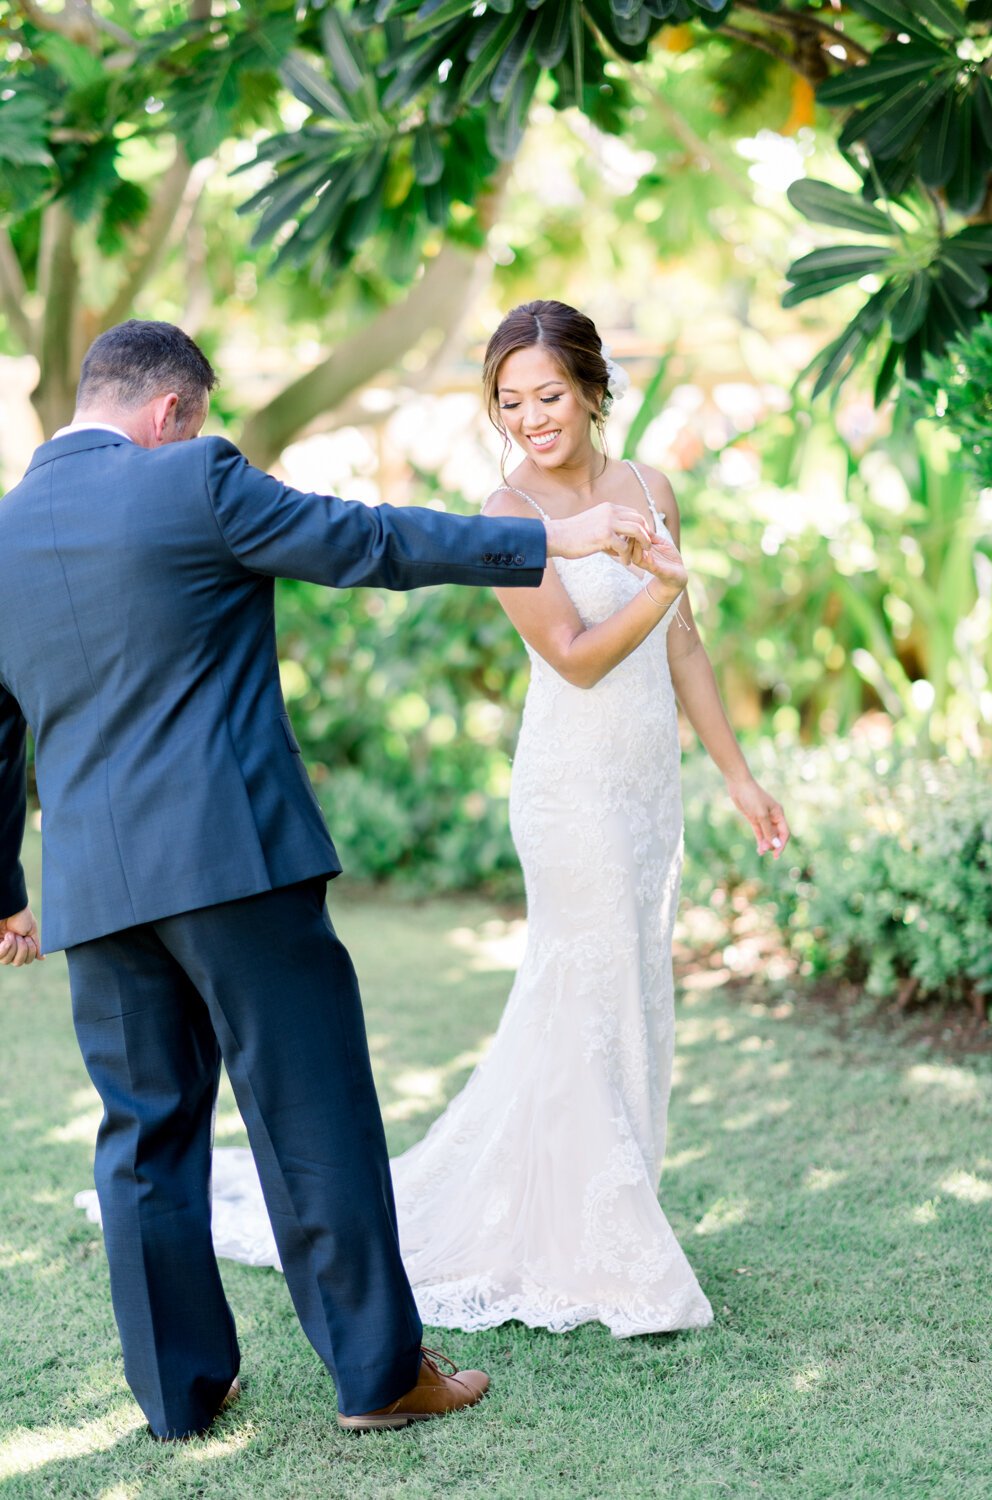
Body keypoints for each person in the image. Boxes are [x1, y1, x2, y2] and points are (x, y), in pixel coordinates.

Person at [0, 318, 656, 1439]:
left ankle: (177, 1397)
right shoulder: (191, 478)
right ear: (171, 412)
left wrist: (5, 890)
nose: (197, 436)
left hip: (95, 890)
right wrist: (556, 537)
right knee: (311, 1116)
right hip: (232, 862)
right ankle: (378, 1377)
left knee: (144, 1136)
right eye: (196, 422)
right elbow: (365, 542)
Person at [150, 301, 790, 1340]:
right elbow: (577, 655)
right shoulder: (506, 511)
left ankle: (608, 1202)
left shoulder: (650, 489)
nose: (530, 417)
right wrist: (661, 587)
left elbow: (683, 649)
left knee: (629, 982)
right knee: (580, 987)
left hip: (643, 786)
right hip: (570, 786)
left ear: (589, 388)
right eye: (508, 400)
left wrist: (737, 775)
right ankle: (596, 1239)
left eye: (547, 395)